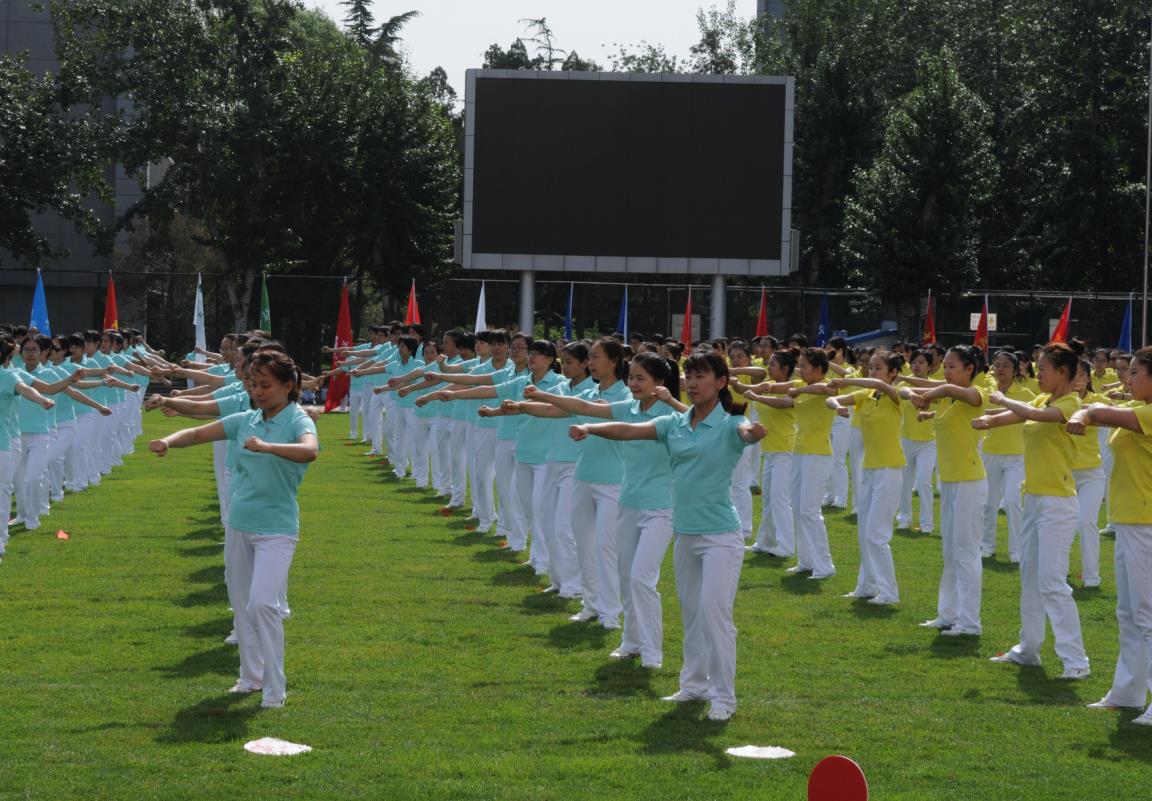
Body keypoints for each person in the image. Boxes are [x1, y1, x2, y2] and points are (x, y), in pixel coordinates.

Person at [571, 352, 766, 721]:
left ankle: (723, 697)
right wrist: (591, 429)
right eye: (689, 376)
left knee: (714, 615)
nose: (693, 383)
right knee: (691, 614)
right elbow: (628, 430)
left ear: (721, 382)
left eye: (702, 376)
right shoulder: (674, 422)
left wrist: (752, 433)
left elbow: (744, 431)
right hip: (685, 534)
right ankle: (693, 685)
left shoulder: (730, 423)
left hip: (721, 536)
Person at [149, 351, 318, 708]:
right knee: (241, 605)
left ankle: (274, 690)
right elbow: (198, 432)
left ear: (288, 386)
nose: (257, 392)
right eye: (253, 385)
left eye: (265, 385)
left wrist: (268, 447)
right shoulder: (246, 419)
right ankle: (250, 678)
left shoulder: (298, 419)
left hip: (276, 529)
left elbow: (309, 450)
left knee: (263, 603)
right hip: (239, 524)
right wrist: (169, 441)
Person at [973, 343, 1090, 680]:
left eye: (1043, 370)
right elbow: (1022, 414)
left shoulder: (1071, 404)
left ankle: (1076, 660)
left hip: (1058, 504)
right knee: (1030, 579)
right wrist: (990, 420)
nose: (1037, 375)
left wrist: (1001, 400)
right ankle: (1028, 649)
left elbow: (1035, 416)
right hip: (1035, 499)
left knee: (1052, 582)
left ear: (1062, 373)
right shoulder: (1043, 399)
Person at [1070, 347, 1152, 721]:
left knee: (1146, 613)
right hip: (1129, 521)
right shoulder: (1137, 408)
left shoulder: (1146, 414)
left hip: (1145, 523)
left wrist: (1084, 412)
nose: (1127, 378)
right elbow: (1103, 409)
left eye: (1134, 373)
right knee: (1129, 613)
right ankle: (1128, 692)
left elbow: (1100, 413)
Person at [905, 346, 989, 634]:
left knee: (966, 553)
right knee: (951, 552)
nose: (947, 372)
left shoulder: (977, 393)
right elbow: (929, 389)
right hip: (951, 482)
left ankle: (970, 622)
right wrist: (913, 393)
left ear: (969, 369)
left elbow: (948, 390)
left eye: (952, 366)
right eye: (946, 367)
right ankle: (947, 615)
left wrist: (927, 395)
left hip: (969, 481)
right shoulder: (947, 399)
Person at [828, 351, 906, 605]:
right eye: (870, 368)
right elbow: (831, 399)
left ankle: (889, 592)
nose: (872, 372)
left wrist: (847, 380)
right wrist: (838, 406)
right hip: (870, 470)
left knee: (876, 534)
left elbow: (881, 386)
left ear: (893, 373)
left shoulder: (896, 394)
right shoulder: (867, 395)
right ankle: (866, 585)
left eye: (878, 368)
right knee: (864, 532)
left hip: (890, 469)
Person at [740, 349, 802, 557]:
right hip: (770, 452)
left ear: (785, 369)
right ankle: (765, 541)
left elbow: (784, 403)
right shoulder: (768, 385)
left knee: (779, 500)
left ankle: (786, 547)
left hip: (785, 451)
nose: (769, 368)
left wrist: (757, 396)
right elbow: (745, 389)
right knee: (768, 500)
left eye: (773, 365)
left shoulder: (793, 388)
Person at [980, 351, 1033, 562]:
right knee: (988, 502)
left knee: (1012, 501)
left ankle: (1017, 550)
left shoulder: (1025, 393)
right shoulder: (987, 392)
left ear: (1015, 370)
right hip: (990, 452)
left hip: (1017, 455)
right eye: (997, 365)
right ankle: (987, 545)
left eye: (1006, 365)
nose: (1001, 369)